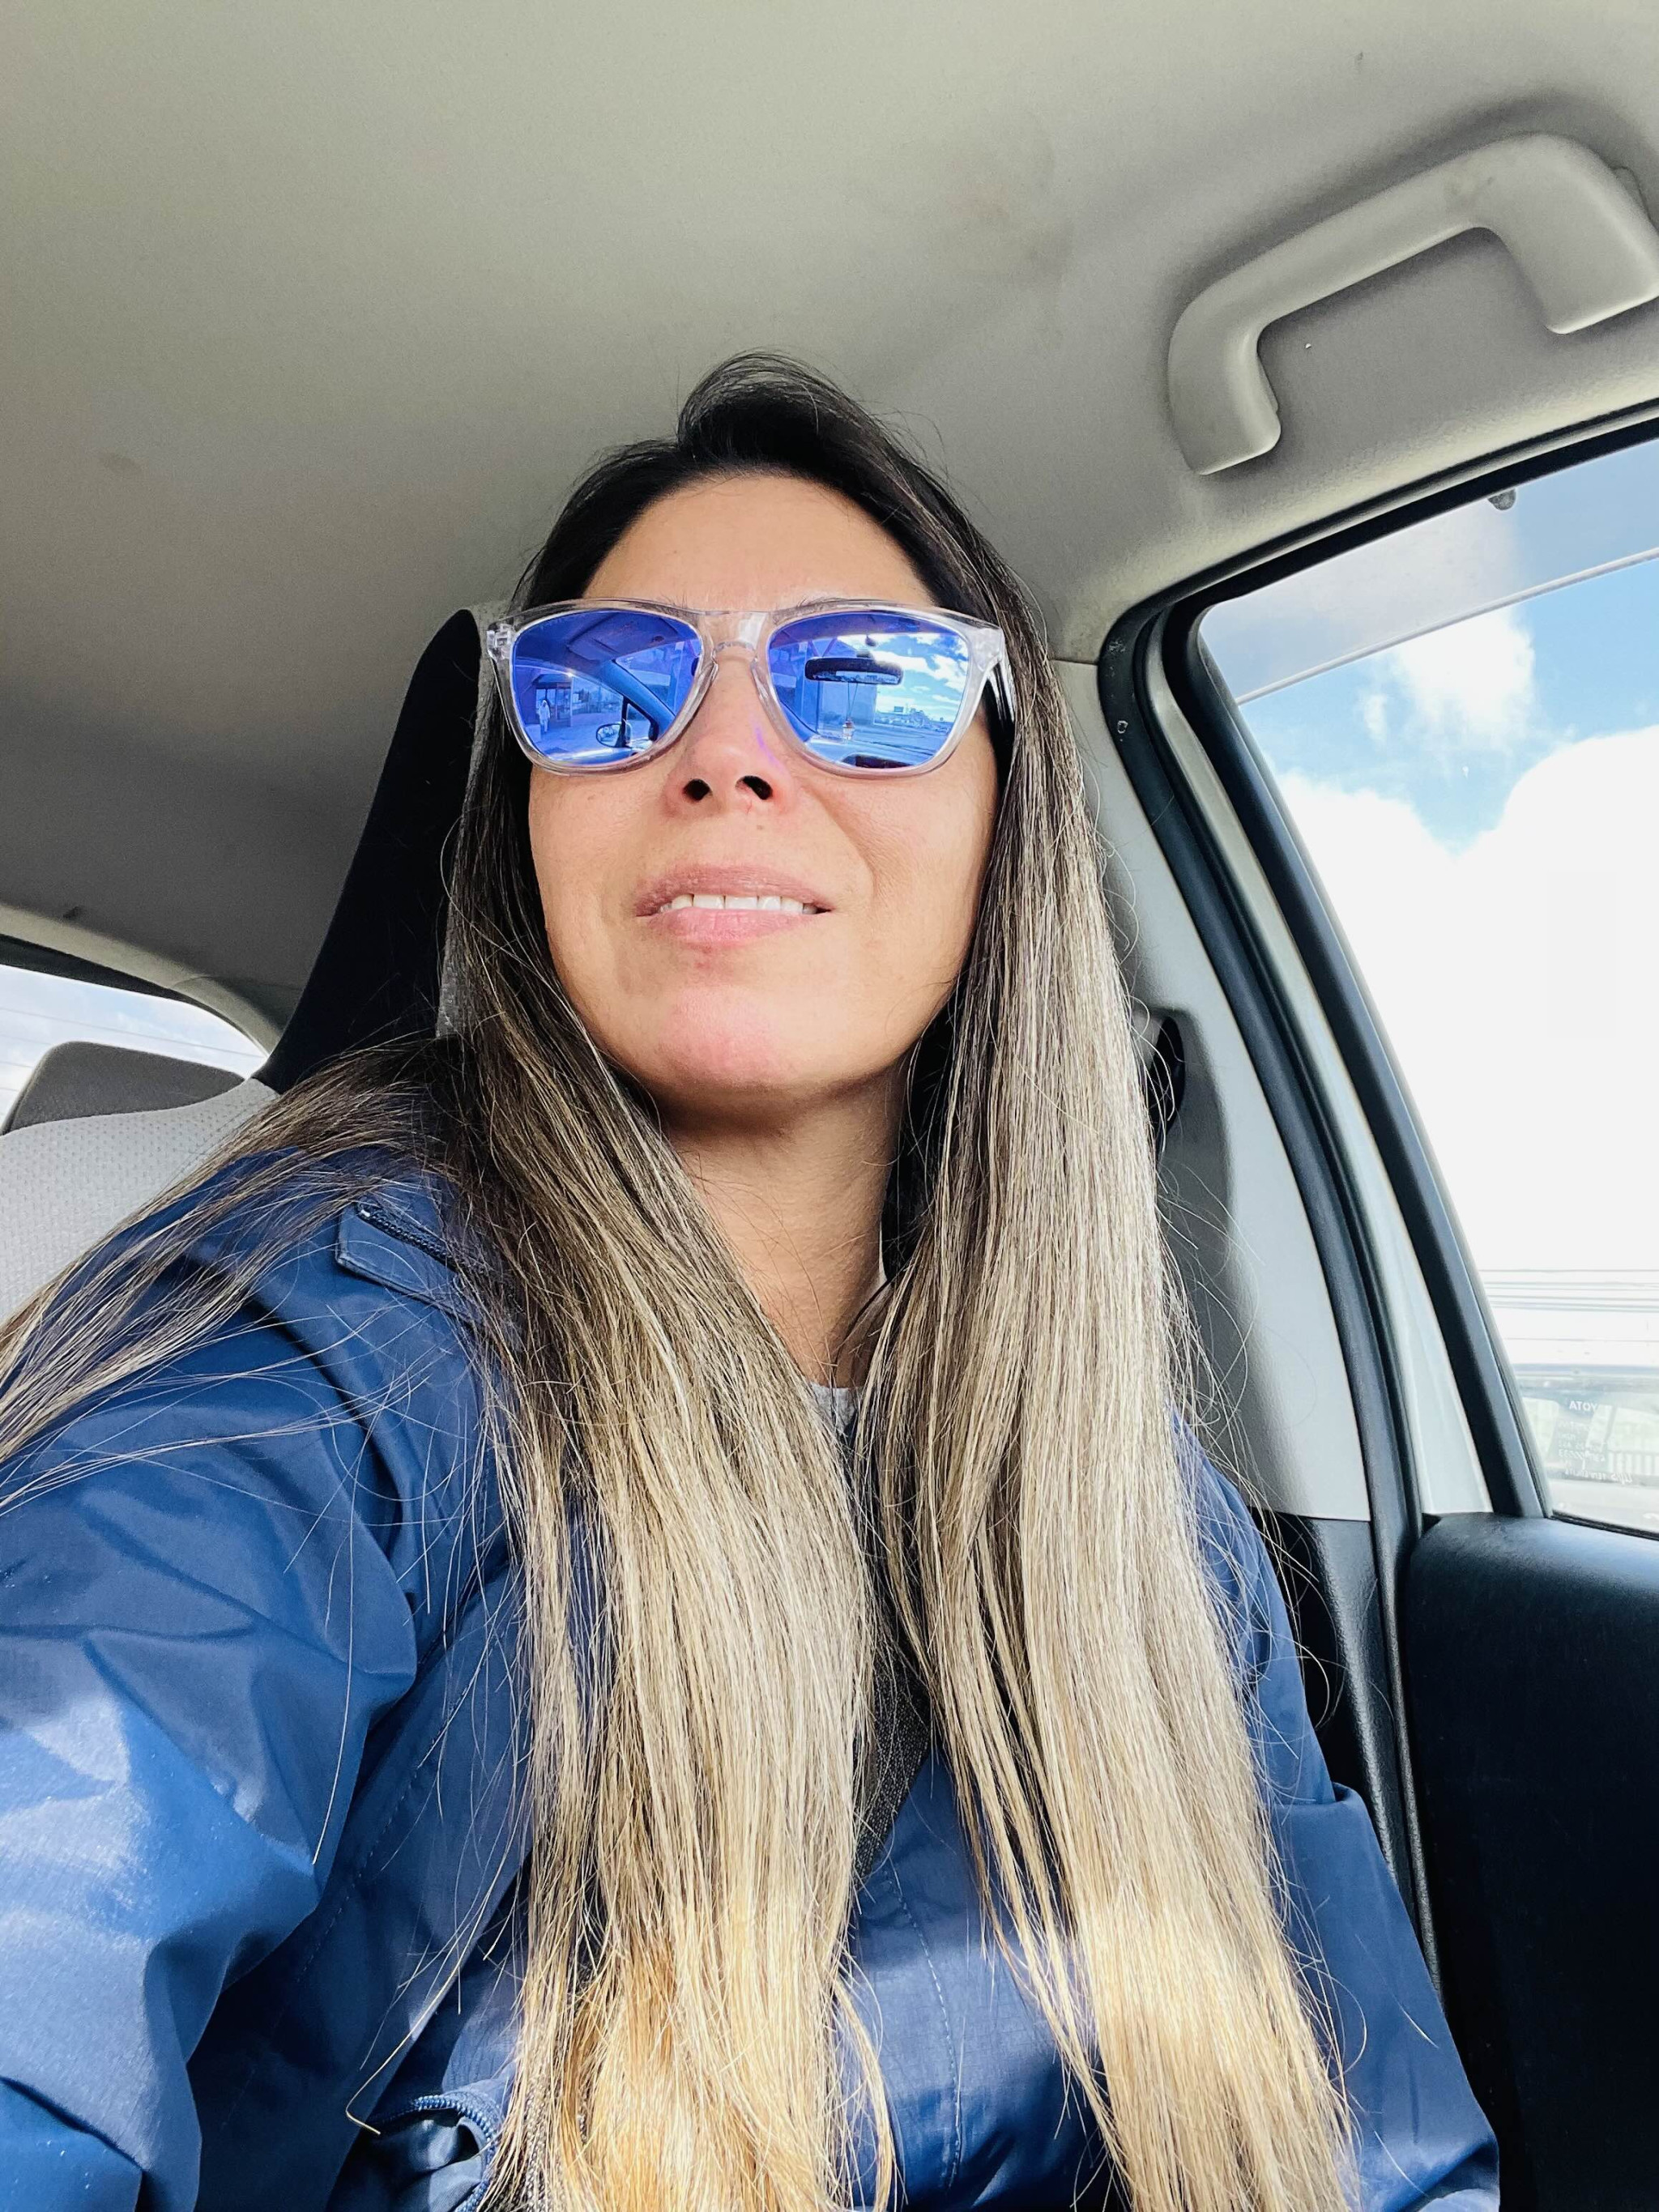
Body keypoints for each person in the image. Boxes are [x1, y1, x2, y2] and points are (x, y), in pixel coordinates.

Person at [0, 356, 1498, 2212]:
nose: (720, 753)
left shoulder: (1146, 1512)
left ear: (1005, 818)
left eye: (862, 680)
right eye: (605, 685)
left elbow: (1374, 2149)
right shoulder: (316, 1349)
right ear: (529, 823)